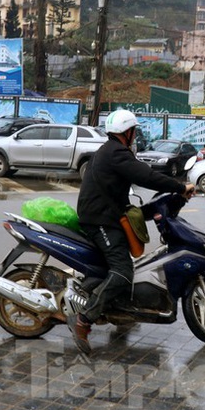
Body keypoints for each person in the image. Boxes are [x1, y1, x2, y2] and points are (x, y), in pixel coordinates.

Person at [69, 109, 195, 354]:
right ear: (127, 132)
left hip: (104, 215)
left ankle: (119, 314)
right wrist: (180, 187)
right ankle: (84, 320)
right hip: (101, 221)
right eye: (134, 131)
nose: (135, 134)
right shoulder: (117, 153)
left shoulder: (109, 151)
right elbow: (146, 176)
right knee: (124, 272)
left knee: (119, 265)